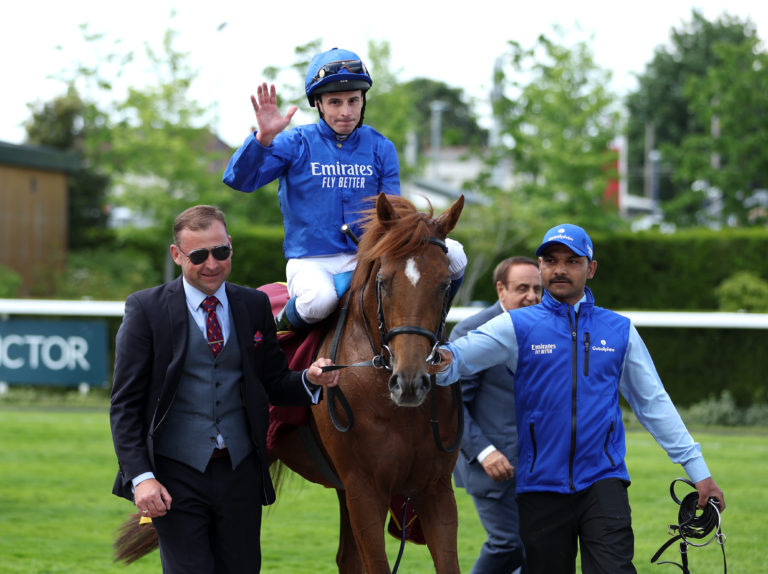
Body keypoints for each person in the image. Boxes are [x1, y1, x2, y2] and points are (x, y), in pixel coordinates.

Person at [435, 224, 725, 574]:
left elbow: (653, 404)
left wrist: (699, 472)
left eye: (572, 261)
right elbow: (454, 363)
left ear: (591, 269)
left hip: (603, 482)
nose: (560, 269)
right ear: (540, 267)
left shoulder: (619, 330)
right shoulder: (515, 326)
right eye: (551, 260)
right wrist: (419, 351)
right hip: (539, 487)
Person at [109, 205, 339, 573]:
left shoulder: (255, 304)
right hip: (174, 474)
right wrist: (142, 478)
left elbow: (275, 383)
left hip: (241, 473)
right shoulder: (146, 309)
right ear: (177, 255)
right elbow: (125, 406)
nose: (212, 264)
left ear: (230, 245)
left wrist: (309, 380)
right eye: (198, 255)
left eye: (221, 252)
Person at [222, 47, 466, 330]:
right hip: (312, 261)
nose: (346, 112)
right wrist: (262, 138)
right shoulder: (295, 142)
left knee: (457, 254)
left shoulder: (380, 147)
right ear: (318, 104)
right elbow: (239, 181)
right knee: (319, 301)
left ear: (363, 101)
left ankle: (429, 328)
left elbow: (393, 214)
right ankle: (275, 328)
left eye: (353, 100)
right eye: (335, 102)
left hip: (368, 256)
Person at [451, 256, 541, 574]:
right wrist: (484, 452)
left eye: (537, 288)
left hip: (541, 466)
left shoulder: (546, 328)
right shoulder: (472, 330)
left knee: (539, 550)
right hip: (492, 465)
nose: (532, 296)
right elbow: (451, 406)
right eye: (523, 288)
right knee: (508, 544)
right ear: (501, 289)